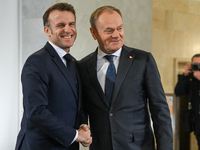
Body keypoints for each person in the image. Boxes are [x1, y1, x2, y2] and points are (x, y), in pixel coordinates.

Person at [77, 5, 173, 150]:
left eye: (119, 28)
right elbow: (81, 108)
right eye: (109, 30)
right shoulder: (83, 66)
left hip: (138, 146)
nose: (116, 35)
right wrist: (82, 127)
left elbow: (160, 109)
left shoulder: (143, 60)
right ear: (93, 32)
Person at [15, 3, 92, 150]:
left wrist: (83, 127)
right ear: (47, 30)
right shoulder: (37, 61)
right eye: (60, 25)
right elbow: (36, 112)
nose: (68, 30)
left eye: (71, 24)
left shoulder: (73, 63)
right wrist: (75, 135)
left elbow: (77, 104)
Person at [175, 54, 200, 149]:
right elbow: (178, 91)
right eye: (196, 65)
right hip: (197, 122)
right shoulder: (190, 78)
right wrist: (185, 75)